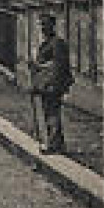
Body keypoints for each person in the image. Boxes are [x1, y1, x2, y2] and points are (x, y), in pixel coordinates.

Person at [28, 13, 74, 154]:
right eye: (41, 24)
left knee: (52, 114)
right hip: (46, 84)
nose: (43, 28)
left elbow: (58, 65)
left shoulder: (57, 43)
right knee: (49, 113)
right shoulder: (46, 43)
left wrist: (37, 65)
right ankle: (58, 144)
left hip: (53, 85)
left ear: (52, 26)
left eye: (45, 24)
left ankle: (54, 144)